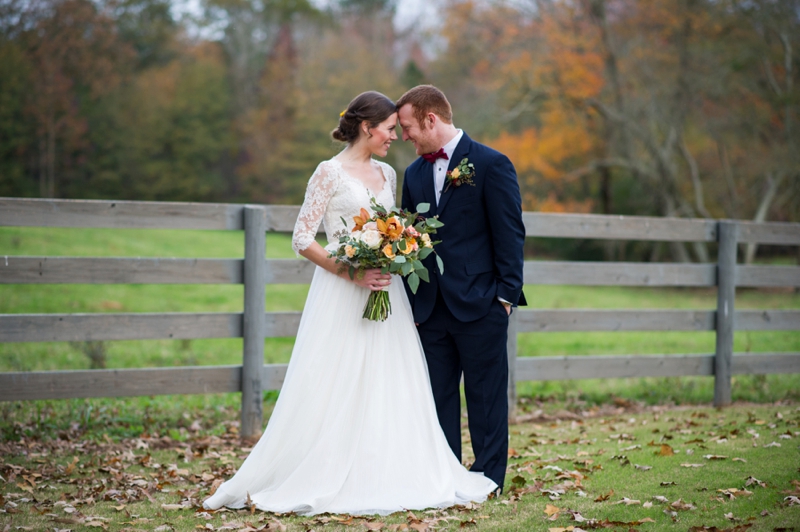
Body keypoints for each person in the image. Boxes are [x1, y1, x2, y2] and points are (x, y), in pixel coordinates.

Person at [202, 91, 497, 516]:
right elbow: (302, 237)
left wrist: (397, 254)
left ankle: (390, 468)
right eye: (391, 130)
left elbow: (394, 226)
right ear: (367, 127)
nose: (396, 137)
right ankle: (326, 468)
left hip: (385, 291)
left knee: (391, 379)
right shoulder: (328, 173)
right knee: (334, 380)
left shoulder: (389, 174)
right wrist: (348, 271)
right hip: (342, 290)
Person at [397, 85, 527, 494]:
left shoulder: (491, 163)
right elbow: (407, 239)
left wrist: (504, 299)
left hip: (481, 305)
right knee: (437, 401)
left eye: (407, 127)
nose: (404, 136)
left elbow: (510, 234)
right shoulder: (414, 173)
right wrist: (413, 303)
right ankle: (445, 480)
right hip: (430, 310)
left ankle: (488, 481)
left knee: (486, 400)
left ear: (430, 119)